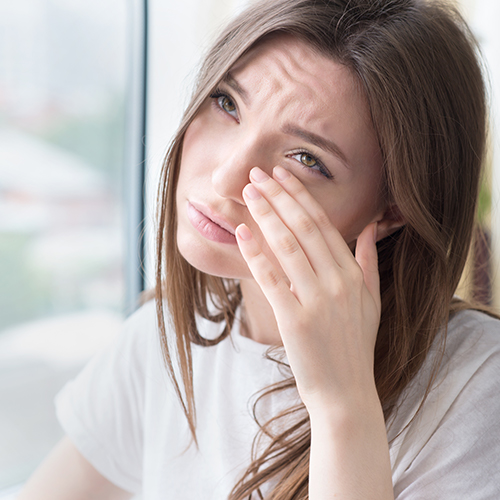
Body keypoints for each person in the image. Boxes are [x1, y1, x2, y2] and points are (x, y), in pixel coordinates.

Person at [18, 0, 500, 498]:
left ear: (392, 211)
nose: (224, 178)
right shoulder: (165, 342)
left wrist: (342, 409)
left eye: (305, 158)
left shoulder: (476, 386)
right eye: (227, 103)